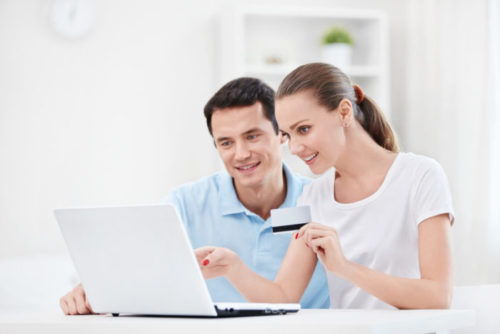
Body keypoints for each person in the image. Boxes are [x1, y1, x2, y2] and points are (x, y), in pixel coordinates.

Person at [59, 77, 330, 315]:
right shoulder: (186, 203)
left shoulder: (321, 200)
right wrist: (93, 289)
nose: (241, 153)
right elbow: (137, 264)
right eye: (226, 142)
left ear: (281, 134)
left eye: (252, 136)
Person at [195, 63, 454, 309]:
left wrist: (344, 267)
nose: (294, 148)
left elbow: (438, 295)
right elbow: (284, 297)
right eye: (288, 135)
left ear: (344, 113)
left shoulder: (421, 176)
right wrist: (232, 266)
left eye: (304, 129)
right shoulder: (311, 196)